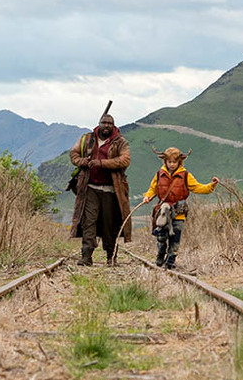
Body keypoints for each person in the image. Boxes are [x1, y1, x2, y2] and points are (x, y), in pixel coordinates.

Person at [69, 114, 132, 266]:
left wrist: (101, 163)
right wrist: (81, 161)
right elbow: (73, 153)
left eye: (110, 123)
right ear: (99, 124)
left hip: (112, 189)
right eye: (104, 122)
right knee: (88, 222)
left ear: (114, 126)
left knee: (110, 224)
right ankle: (86, 256)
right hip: (89, 187)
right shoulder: (87, 139)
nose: (107, 125)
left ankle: (111, 257)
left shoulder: (121, 142)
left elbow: (125, 160)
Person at [142, 147, 219, 269]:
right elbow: (152, 189)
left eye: (174, 162)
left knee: (175, 238)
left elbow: (199, 188)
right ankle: (160, 255)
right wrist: (147, 197)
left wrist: (211, 185)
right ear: (165, 161)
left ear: (179, 162)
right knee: (161, 237)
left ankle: (170, 261)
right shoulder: (159, 174)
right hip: (163, 211)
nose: (172, 164)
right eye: (169, 161)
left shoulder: (186, 175)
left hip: (179, 212)